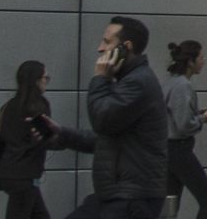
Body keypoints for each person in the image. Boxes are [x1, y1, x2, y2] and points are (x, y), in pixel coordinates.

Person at [38, 16, 169, 219]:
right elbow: (107, 138)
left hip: (131, 197)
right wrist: (62, 135)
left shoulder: (138, 82)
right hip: (115, 194)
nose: (100, 48)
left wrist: (100, 78)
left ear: (126, 47)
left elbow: (102, 121)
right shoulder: (126, 81)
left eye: (107, 42)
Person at [161, 41, 207, 219]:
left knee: (170, 205)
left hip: (167, 149)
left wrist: (197, 113)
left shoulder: (170, 82)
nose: (204, 61)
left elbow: (174, 115)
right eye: (201, 57)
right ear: (190, 61)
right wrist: (204, 118)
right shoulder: (182, 85)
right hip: (179, 149)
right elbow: (184, 125)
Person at [0, 60, 55, 219]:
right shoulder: (39, 106)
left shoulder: (9, 106)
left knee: (39, 214)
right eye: (45, 78)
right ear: (36, 80)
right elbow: (48, 137)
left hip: (9, 172)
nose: (46, 82)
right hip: (26, 174)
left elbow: (5, 137)